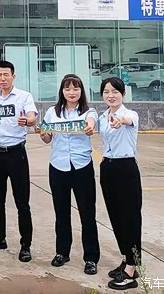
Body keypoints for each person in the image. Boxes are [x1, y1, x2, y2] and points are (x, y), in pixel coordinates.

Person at [37, 74, 99, 275]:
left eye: (75, 88)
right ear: (62, 91)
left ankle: (91, 258)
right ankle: (62, 252)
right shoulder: (52, 112)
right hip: (58, 167)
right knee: (61, 212)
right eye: (67, 89)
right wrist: (43, 133)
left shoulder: (88, 112)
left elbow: (91, 122)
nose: (71, 92)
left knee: (87, 214)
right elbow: (47, 138)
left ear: (81, 91)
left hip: (82, 167)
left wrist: (89, 127)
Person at [0, 60, 37, 262]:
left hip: (16, 153)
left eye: (6, 75)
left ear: (13, 76)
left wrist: (27, 121)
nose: (2, 78)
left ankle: (25, 245)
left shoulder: (24, 96)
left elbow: (32, 117)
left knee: (22, 201)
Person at [97, 77, 142, 291]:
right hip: (107, 168)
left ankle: (132, 269)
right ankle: (126, 259)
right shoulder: (101, 117)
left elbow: (127, 120)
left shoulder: (131, 114)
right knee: (115, 216)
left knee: (130, 218)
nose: (111, 95)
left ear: (123, 94)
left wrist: (120, 120)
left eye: (115, 91)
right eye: (106, 92)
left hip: (126, 169)